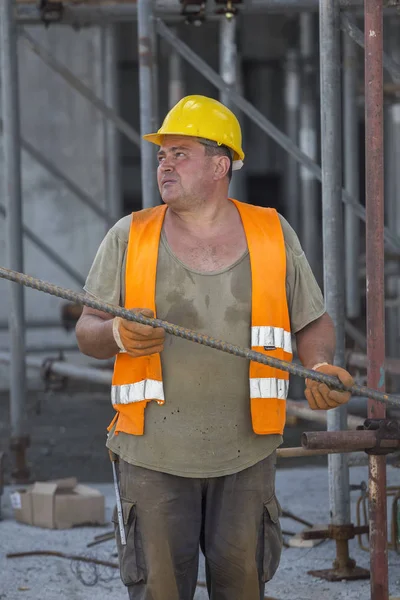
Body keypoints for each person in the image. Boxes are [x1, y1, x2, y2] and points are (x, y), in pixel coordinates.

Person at [75, 95, 354, 600]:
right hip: (152, 456)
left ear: (221, 164)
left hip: (245, 454)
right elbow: (87, 329)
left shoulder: (272, 233)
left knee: (243, 587)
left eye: (179, 152)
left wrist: (319, 365)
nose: (164, 163)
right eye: (162, 154)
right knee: (159, 591)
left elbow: (312, 319)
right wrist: (116, 334)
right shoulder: (130, 236)